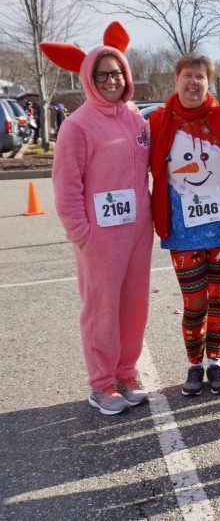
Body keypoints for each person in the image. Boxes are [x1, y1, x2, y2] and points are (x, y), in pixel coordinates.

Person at [42, 21, 152, 415]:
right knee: (101, 307)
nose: (111, 80)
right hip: (101, 236)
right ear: (89, 78)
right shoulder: (77, 126)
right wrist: (80, 232)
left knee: (135, 304)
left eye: (117, 72)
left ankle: (126, 371)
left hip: (138, 230)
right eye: (103, 74)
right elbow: (66, 184)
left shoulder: (136, 117)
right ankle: (102, 383)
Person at [149, 53, 220, 396]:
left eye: (200, 77)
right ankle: (193, 365)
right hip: (181, 228)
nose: (193, 82)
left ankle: (214, 362)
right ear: (176, 79)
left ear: (209, 82)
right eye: (187, 75)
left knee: (217, 297)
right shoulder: (159, 121)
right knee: (195, 301)